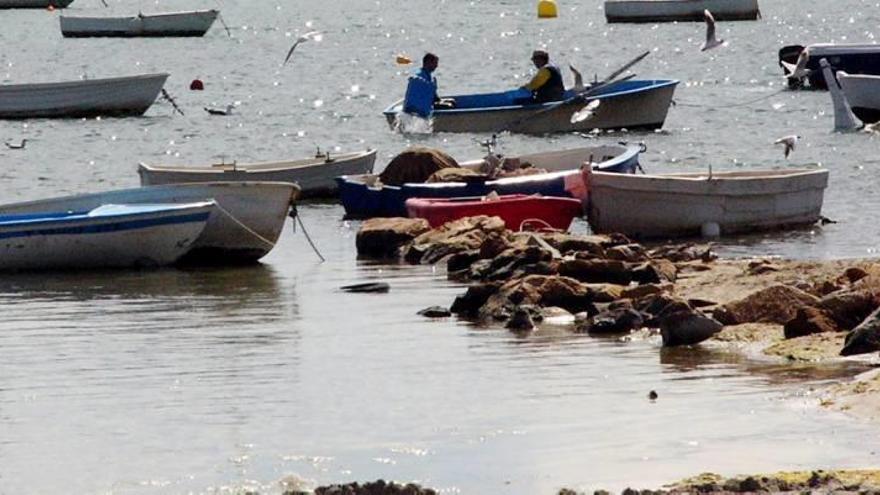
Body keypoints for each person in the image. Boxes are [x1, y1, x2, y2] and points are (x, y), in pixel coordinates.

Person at [402, 53, 454, 118]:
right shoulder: (419, 75)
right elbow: (414, 80)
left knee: (452, 102)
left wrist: (441, 101)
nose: (436, 66)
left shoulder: (429, 77)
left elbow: (435, 98)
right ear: (428, 62)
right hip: (417, 108)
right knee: (449, 106)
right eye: (435, 63)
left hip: (429, 103)